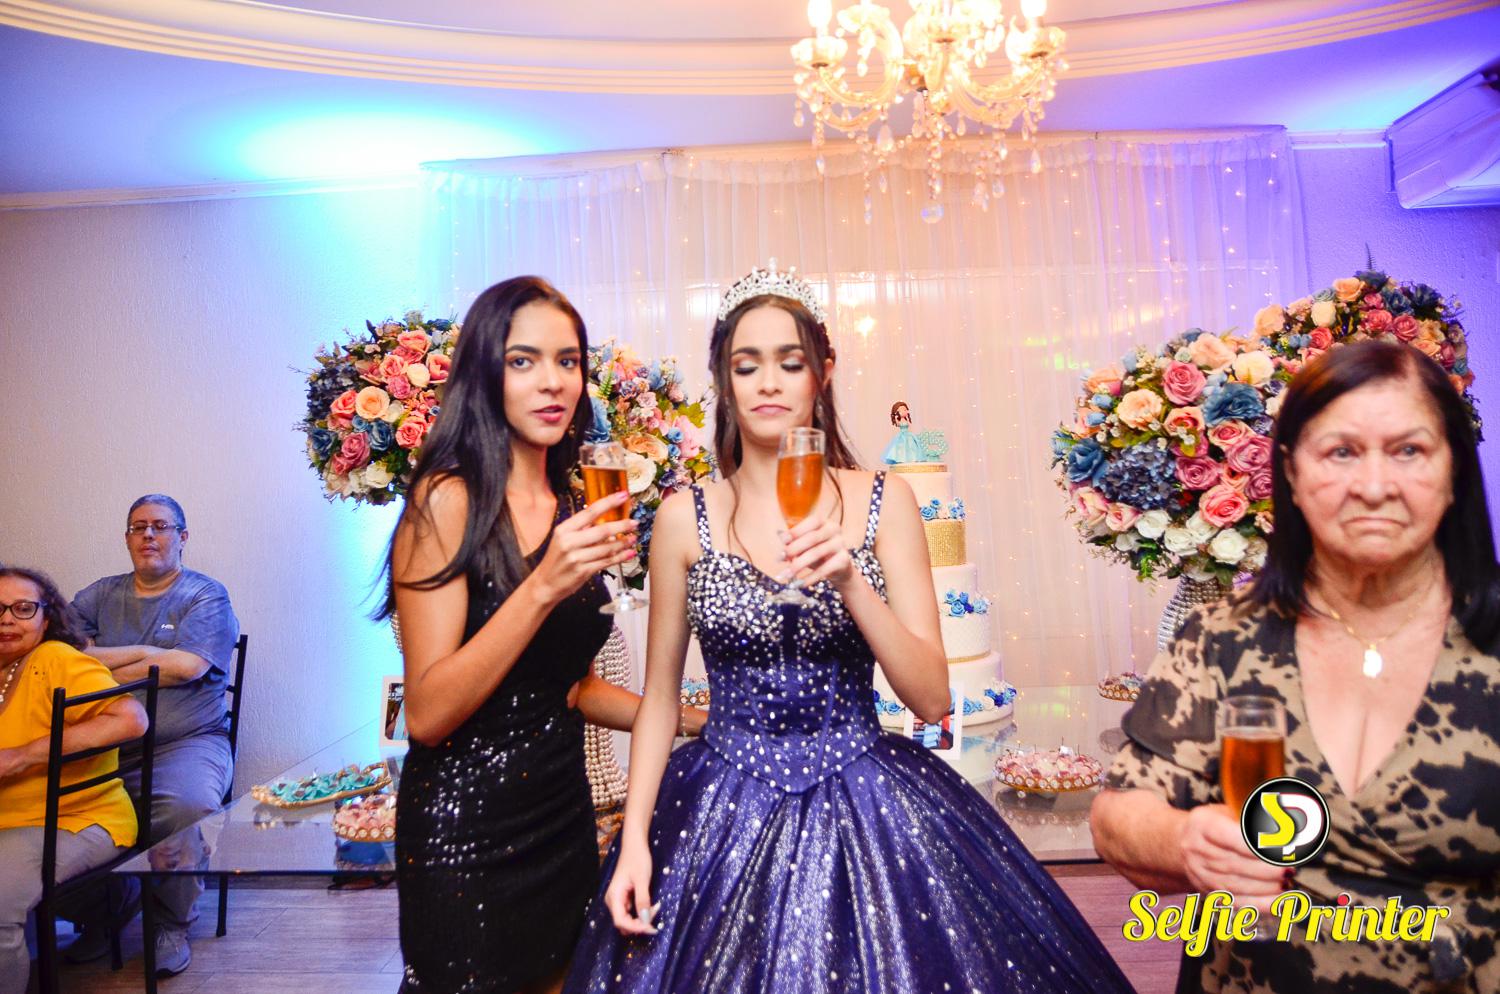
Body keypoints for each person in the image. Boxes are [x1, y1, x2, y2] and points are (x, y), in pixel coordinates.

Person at [564, 265, 1133, 993]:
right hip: (717, 805)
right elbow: (660, 702)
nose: (768, 383)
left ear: (822, 373)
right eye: (747, 365)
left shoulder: (884, 502)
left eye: (789, 362)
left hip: (866, 792)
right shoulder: (683, 517)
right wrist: (637, 839)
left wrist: (850, 581)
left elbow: (931, 699)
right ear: (724, 382)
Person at [1090, 340, 1500, 992]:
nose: (1374, 486)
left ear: (1453, 472)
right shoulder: (1225, 635)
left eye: (1408, 451)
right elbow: (1118, 817)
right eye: (1341, 452)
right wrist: (1185, 840)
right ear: (1292, 474)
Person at [383, 275, 705, 994]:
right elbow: (428, 715)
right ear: (484, 373)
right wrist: (542, 586)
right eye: (523, 361)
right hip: (465, 828)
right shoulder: (446, 500)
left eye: (568, 361)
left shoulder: (572, 502)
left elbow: (570, 686)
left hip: (562, 817)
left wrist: (693, 720)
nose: (553, 381)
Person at [67, 494, 240, 975]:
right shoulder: (97, 595)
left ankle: (170, 923)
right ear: (126, 538)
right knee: (46, 809)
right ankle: (106, 912)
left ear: (182, 537)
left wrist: (100, 665)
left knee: (186, 808)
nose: (148, 534)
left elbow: (187, 667)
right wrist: (148, 653)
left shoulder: (205, 596)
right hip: (104, 743)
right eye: (138, 526)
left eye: (160, 526)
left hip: (187, 744)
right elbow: (62, 657)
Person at [0, 566, 146, 993]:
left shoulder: (56, 660)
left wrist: (20, 757)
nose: (6, 619)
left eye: (22, 609)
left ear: (46, 618)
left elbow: (131, 719)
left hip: (74, 818)